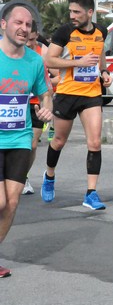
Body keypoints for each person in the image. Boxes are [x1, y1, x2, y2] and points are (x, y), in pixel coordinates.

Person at [41, 0, 113, 210]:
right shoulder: (65, 31)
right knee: (59, 141)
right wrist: (77, 62)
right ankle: (50, 175)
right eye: (70, 11)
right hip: (67, 93)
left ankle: (91, 193)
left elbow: (99, 56)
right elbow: (49, 59)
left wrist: (104, 71)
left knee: (95, 143)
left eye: (76, 12)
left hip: (91, 94)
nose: (72, 15)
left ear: (89, 12)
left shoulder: (101, 31)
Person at [1, 3, 53, 277]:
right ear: (3, 24)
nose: (23, 28)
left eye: (28, 25)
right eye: (18, 23)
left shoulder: (34, 60)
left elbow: (45, 93)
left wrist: (46, 108)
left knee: (12, 202)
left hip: (20, 139)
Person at [22, 20, 59, 196]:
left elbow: (60, 78)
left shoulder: (43, 52)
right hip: (16, 102)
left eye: (31, 40)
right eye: (26, 40)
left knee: (32, 144)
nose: (28, 44)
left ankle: (23, 177)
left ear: (36, 36)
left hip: (36, 103)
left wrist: (40, 84)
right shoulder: (13, 51)